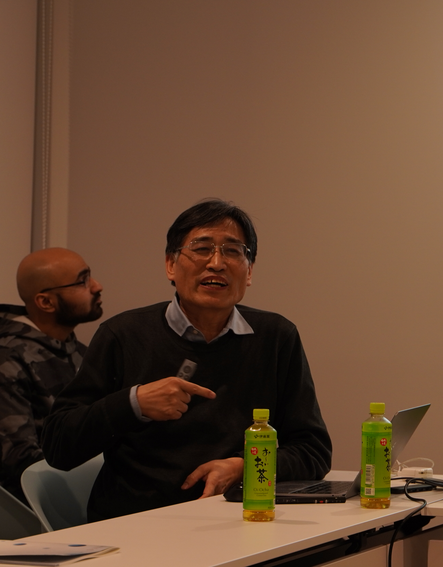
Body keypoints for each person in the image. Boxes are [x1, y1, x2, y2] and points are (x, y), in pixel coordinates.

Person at [42, 200, 332, 521]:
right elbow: (58, 446)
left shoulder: (276, 336)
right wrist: (133, 404)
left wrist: (245, 465)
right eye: (201, 249)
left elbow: (313, 450)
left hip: (239, 520)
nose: (217, 263)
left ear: (249, 271)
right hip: (138, 522)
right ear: (170, 264)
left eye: (233, 251)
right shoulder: (122, 334)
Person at [0, 248, 103, 504]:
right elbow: (18, 460)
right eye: (82, 281)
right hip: (40, 510)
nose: (97, 286)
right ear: (46, 302)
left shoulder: (82, 352)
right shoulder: (8, 358)